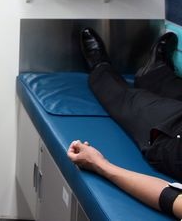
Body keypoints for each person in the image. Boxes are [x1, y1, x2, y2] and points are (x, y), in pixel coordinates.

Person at [69, 27, 182, 218]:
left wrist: (100, 165)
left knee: (129, 100)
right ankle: (154, 74)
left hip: (171, 140)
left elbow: (168, 197)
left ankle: (100, 67)